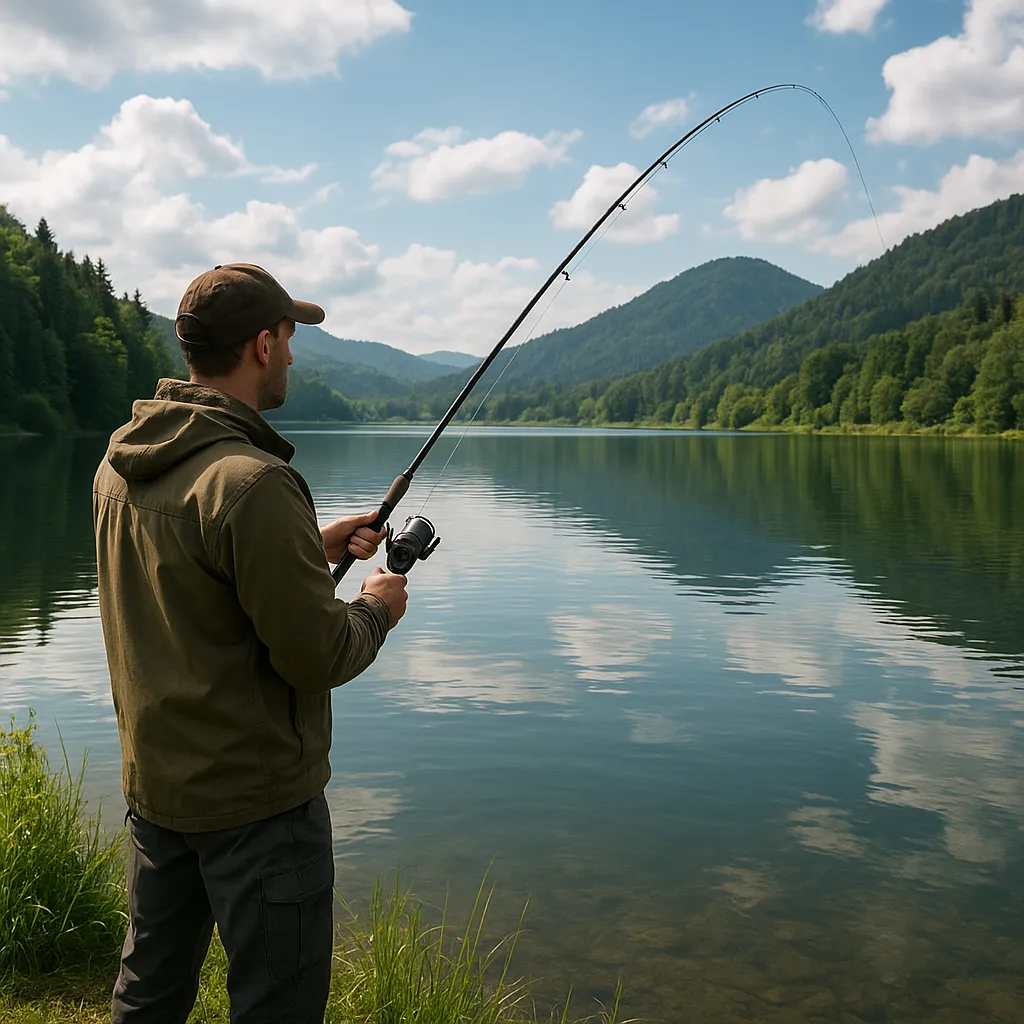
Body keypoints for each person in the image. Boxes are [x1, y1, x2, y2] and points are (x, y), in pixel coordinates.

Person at [92, 263, 409, 1024]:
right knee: (278, 1005)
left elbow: (195, 582)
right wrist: (377, 607)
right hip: (258, 808)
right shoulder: (255, 483)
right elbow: (318, 654)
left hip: (158, 788)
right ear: (263, 345)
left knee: (149, 991)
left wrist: (304, 541)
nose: (295, 357)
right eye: (291, 339)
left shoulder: (118, 463)